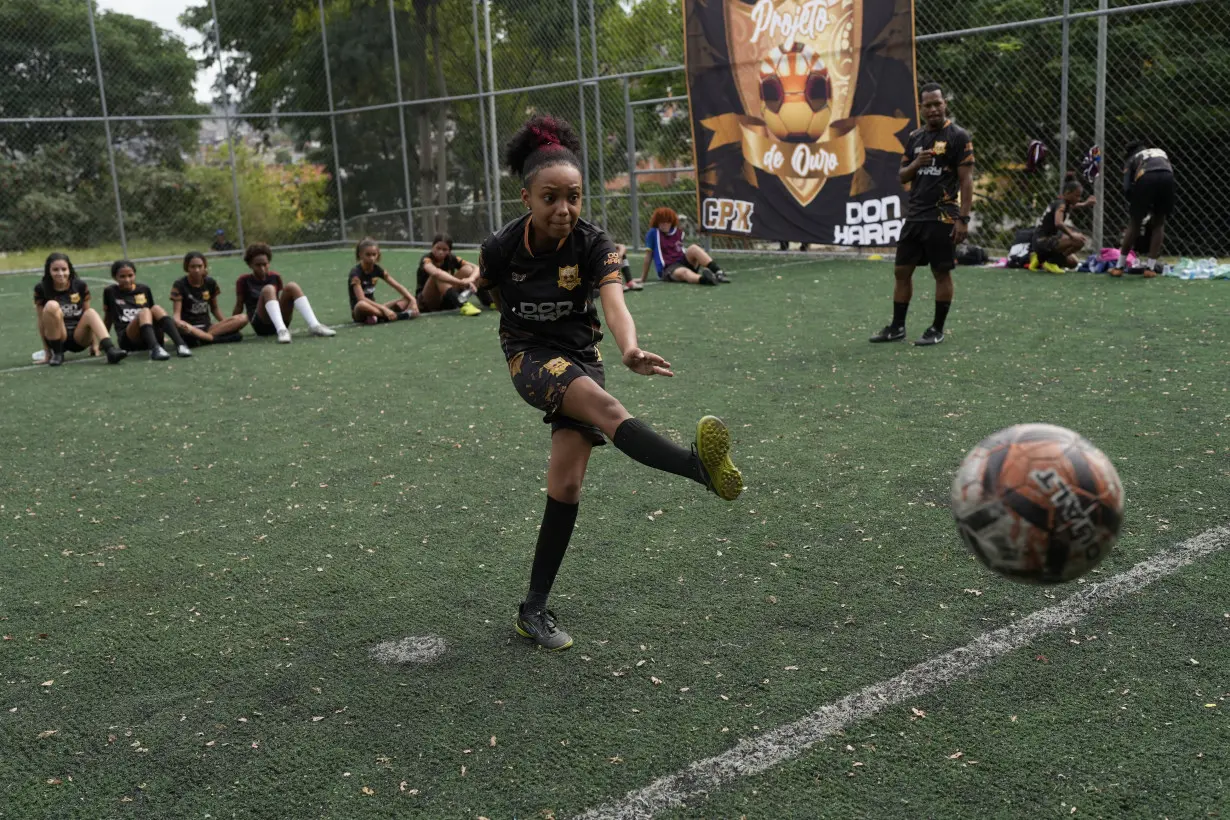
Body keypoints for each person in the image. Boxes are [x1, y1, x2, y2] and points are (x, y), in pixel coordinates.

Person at [478, 115, 744, 651]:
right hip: (529, 357)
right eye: (550, 197)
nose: (564, 209)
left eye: (573, 196)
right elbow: (483, 290)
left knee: (567, 485)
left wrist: (628, 348)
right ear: (525, 196)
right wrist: (476, 286)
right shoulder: (502, 246)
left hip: (582, 354)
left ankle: (532, 610)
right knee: (605, 407)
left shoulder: (595, 243)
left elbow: (614, 301)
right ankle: (697, 468)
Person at [870, 81, 974, 346]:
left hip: (942, 217)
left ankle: (936, 329)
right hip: (915, 216)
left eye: (937, 104)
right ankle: (897, 327)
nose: (933, 109)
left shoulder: (959, 137)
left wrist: (963, 219)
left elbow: (966, 181)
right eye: (928, 105)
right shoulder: (915, 137)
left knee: (941, 272)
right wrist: (917, 163)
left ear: (945, 104)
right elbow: (902, 175)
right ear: (922, 108)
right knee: (902, 271)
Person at [34, 252, 127, 367]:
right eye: (55, 270)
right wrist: (47, 351)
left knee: (91, 312)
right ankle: (57, 354)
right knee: (52, 305)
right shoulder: (41, 288)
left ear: (70, 270)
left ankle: (110, 350)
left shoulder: (80, 285)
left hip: (78, 336)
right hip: (58, 335)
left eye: (64, 269)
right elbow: (41, 321)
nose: (60, 273)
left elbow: (87, 315)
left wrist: (94, 344)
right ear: (49, 271)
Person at [233, 242, 336, 342]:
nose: (262, 268)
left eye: (265, 264)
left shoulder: (275, 277)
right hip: (261, 325)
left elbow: (278, 301)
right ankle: (282, 331)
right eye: (258, 265)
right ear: (250, 265)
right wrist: (232, 326)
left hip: (279, 320)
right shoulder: (243, 280)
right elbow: (239, 305)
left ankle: (315, 326)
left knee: (292, 286)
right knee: (268, 289)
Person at [1110, 140, 1175, 279]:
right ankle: (1150, 268)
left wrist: (1135, 205)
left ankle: (1119, 267)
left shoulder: (1132, 159)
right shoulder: (1159, 151)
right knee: (1159, 223)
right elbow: (1165, 168)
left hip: (1146, 176)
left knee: (1134, 224)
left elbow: (1127, 187)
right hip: (1168, 176)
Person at [103, 260, 192, 360]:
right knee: (145, 311)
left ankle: (181, 345)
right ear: (115, 277)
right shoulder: (110, 292)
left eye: (130, 275)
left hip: (149, 333)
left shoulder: (144, 289)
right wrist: (102, 341)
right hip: (129, 340)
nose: (127, 280)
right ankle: (154, 348)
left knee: (155, 308)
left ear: (135, 275)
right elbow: (108, 318)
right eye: (122, 277)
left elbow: (154, 314)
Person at [171, 252, 249, 345]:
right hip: (190, 328)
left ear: (204, 267)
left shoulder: (210, 283)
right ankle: (211, 339)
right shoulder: (180, 285)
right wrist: (179, 323)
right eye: (193, 267)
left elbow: (215, 308)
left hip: (208, 328)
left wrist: (226, 324)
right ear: (186, 268)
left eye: (200, 266)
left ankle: (203, 338)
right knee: (236, 336)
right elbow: (176, 314)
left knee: (243, 318)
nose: (196, 270)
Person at [639, 207, 729, 285]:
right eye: (662, 222)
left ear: (671, 222)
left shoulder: (678, 232)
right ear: (657, 222)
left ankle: (718, 273)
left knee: (693, 248)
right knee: (684, 272)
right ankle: (705, 279)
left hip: (683, 261)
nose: (665, 224)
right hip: (668, 269)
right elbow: (648, 256)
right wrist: (643, 278)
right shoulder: (653, 233)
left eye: (667, 222)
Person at [1030, 172, 1096, 273]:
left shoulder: (1062, 202)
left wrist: (1085, 204)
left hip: (1040, 240)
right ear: (1067, 193)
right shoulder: (1061, 205)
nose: (1078, 199)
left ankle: (1039, 259)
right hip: (1043, 241)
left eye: (1080, 196)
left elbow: (1074, 205)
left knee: (1073, 262)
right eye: (1076, 196)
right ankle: (1051, 262)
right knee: (1079, 241)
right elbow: (1058, 223)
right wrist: (1072, 235)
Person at [347, 238, 419, 324]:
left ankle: (378, 317)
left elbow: (397, 286)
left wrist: (413, 300)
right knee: (361, 304)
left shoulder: (377, 269)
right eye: (368, 255)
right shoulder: (355, 274)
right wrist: (384, 309)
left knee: (406, 298)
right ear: (360, 255)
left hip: (375, 307)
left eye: (374, 255)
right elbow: (361, 298)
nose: (372, 258)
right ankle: (399, 316)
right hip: (360, 310)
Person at [414, 234, 483, 316]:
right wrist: (461, 282)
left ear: (449, 251)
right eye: (438, 248)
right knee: (438, 276)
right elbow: (436, 273)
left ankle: (488, 301)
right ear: (432, 247)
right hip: (428, 303)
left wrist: (471, 279)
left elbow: (476, 268)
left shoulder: (451, 258)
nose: (440, 252)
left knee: (467, 269)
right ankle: (463, 304)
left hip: (446, 300)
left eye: (444, 249)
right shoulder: (426, 259)